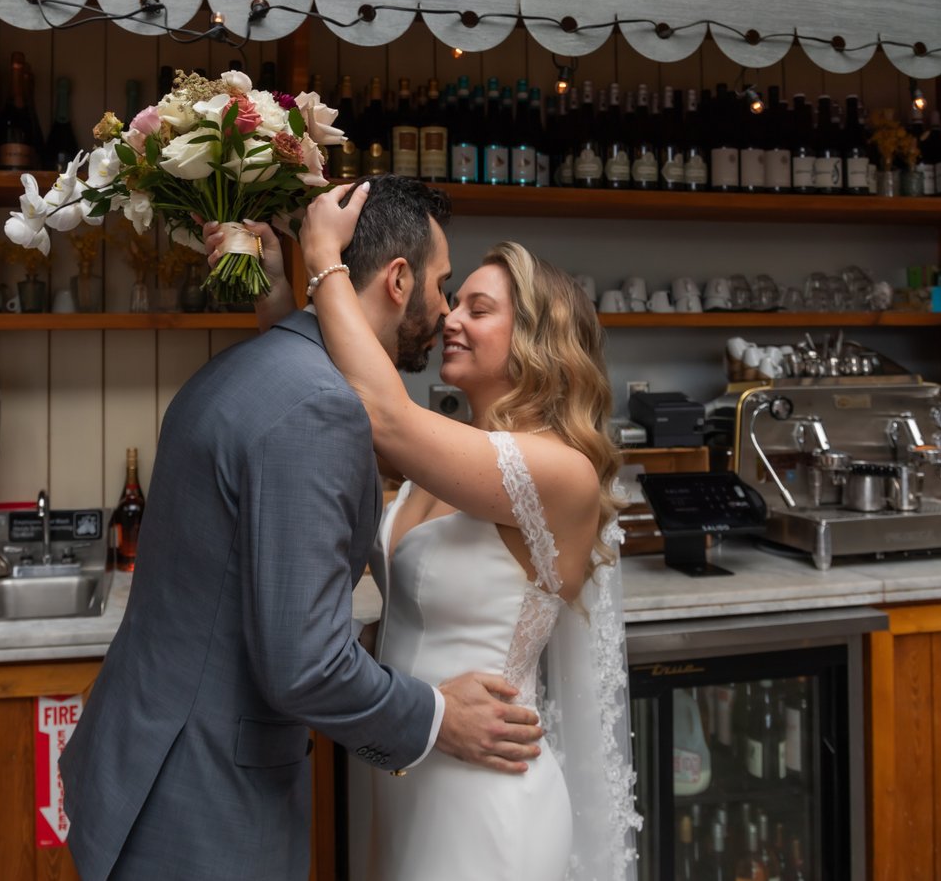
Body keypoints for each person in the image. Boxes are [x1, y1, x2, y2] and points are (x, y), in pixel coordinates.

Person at [58, 174, 544, 881]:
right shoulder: (319, 407)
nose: (445, 312)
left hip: (146, 760)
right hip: (201, 804)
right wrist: (437, 716)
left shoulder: (250, 369)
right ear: (399, 281)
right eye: (444, 286)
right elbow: (307, 664)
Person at [240, 179, 642, 880]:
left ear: (536, 338)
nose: (449, 317)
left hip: (486, 796)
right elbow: (330, 399)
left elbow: (380, 411)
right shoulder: (446, 455)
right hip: (409, 770)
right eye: (453, 299)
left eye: (477, 308)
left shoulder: (561, 471)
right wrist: (276, 295)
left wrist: (325, 257)